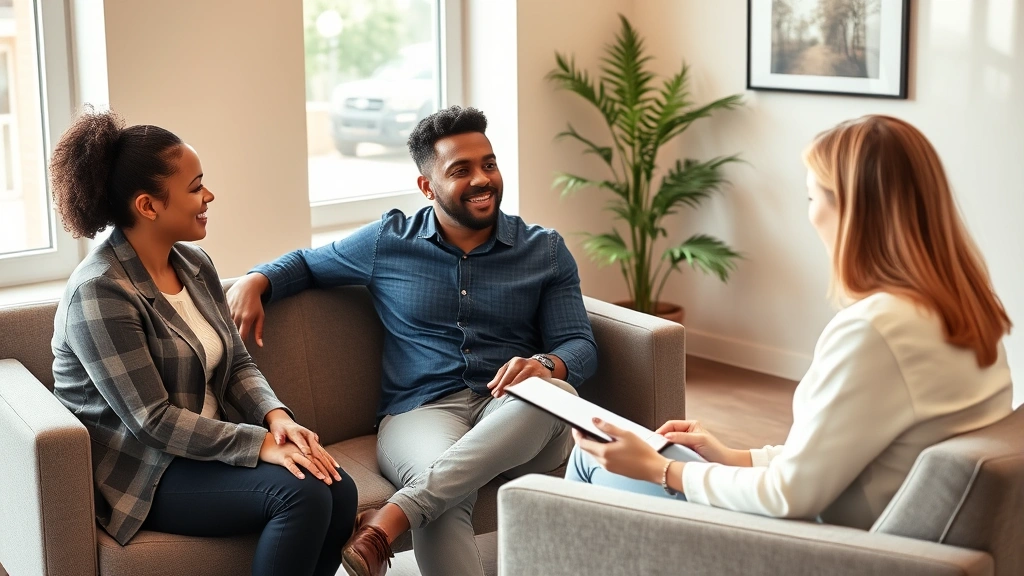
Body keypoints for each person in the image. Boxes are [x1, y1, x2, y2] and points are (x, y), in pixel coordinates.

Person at [566, 114, 1013, 529]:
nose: (810, 213)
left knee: (591, 458)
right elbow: (840, 456)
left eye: (812, 197)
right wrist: (734, 457)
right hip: (853, 524)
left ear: (852, 213)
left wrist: (661, 469)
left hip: (810, 546)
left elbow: (789, 497)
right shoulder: (964, 311)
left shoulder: (875, 330)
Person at [227, 105, 598, 576]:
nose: (483, 179)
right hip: (420, 413)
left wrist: (545, 365)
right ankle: (409, 511)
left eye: (489, 164)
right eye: (461, 170)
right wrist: (256, 279)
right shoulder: (389, 240)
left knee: (556, 394)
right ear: (427, 186)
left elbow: (580, 346)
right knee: (443, 506)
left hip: (515, 413)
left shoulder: (543, 249)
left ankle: (388, 520)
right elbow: (305, 264)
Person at [49, 109, 358, 576]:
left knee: (340, 486)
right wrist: (259, 446)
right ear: (148, 206)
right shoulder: (100, 293)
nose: (208, 195)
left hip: (205, 447)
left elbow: (235, 361)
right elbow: (151, 421)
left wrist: (276, 420)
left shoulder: (194, 264)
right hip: (148, 471)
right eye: (195, 188)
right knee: (301, 494)